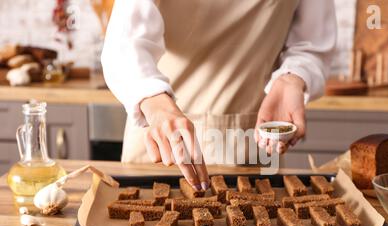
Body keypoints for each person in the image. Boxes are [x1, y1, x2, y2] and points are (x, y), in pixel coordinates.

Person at [102, 0, 337, 191]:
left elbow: (312, 44)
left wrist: (291, 79)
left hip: (252, 145)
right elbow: (123, 44)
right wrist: (156, 104)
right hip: (162, 142)